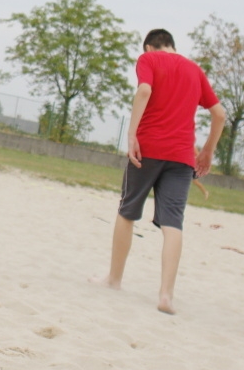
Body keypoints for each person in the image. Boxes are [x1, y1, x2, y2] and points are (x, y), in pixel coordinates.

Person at [93, 29, 226, 314]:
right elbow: (219, 113)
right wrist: (207, 151)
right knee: (173, 223)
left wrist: (131, 135)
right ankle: (166, 294)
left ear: (150, 46)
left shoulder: (148, 59)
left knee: (127, 210)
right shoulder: (194, 70)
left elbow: (144, 91)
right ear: (172, 44)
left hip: (147, 149)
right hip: (181, 156)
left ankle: (114, 279)